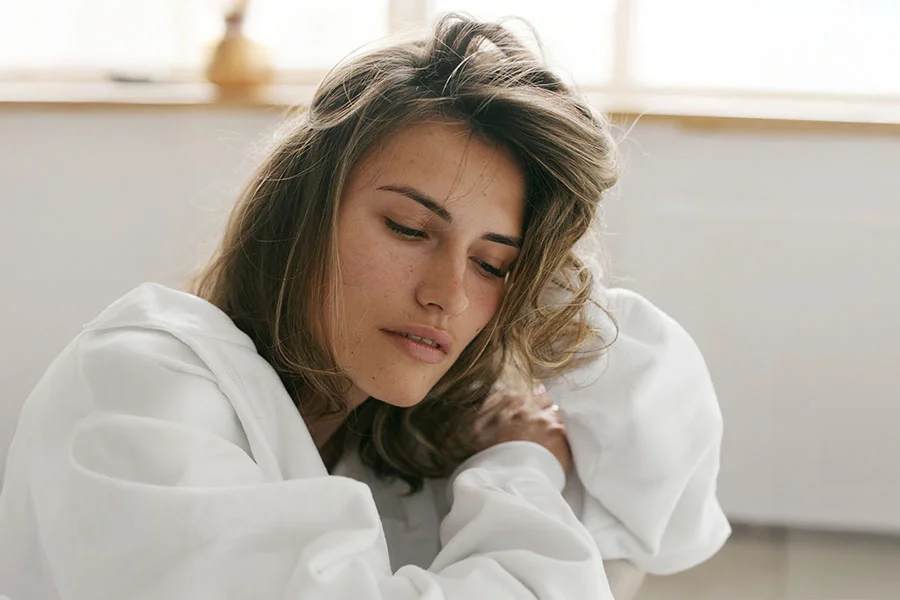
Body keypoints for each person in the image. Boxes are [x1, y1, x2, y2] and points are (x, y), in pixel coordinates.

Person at [0, 14, 730, 600]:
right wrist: (518, 470)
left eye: (491, 263)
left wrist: (548, 277)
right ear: (302, 210)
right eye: (409, 229)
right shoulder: (138, 381)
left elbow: (672, 524)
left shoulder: (381, 446)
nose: (446, 293)